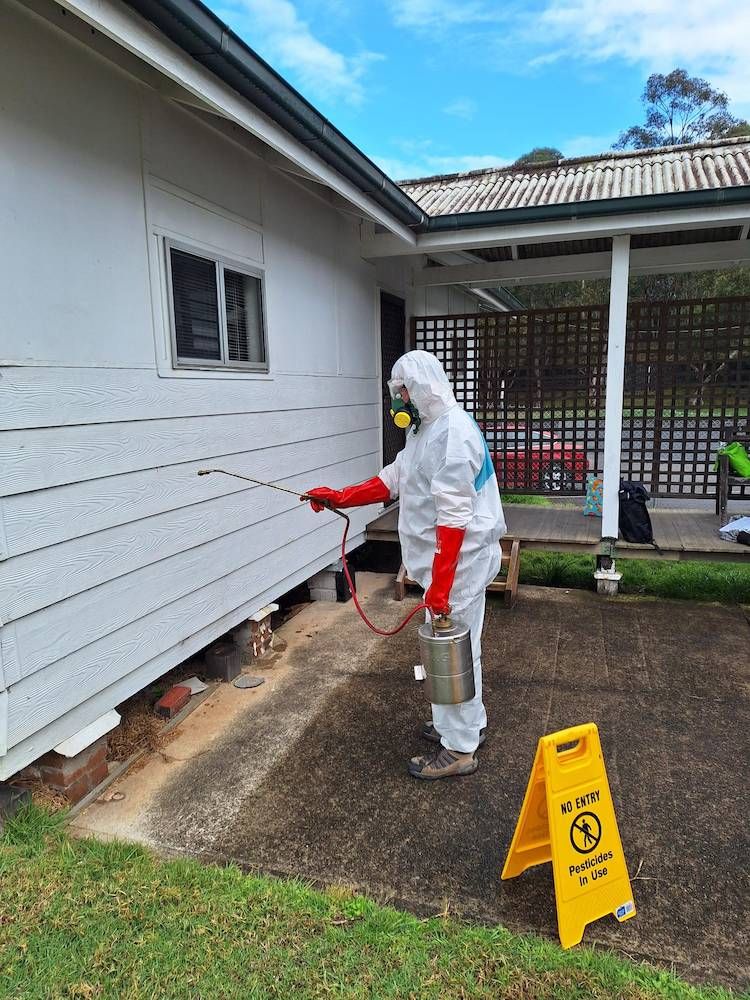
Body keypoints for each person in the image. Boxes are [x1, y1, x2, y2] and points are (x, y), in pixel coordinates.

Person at [305, 350, 506, 780]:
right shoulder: (426, 430)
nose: (397, 401)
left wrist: (440, 587)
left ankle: (460, 748)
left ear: (421, 388)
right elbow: (394, 479)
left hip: (460, 566)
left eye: (401, 392)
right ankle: (463, 723)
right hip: (445, 568)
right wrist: (341, 496)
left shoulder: (453, 436)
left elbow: (454, 521)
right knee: (456, 649)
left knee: (454, 652)